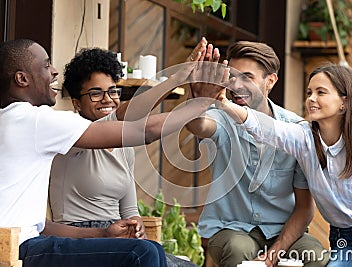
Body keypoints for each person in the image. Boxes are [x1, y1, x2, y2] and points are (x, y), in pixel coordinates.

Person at [0, 38, 217, 267]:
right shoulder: (35, 121)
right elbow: (141, 129)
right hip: (23, 249)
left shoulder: (16, 122)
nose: (54, 72)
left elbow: (41, 226)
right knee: (143, 253)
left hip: (32, 244)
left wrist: (104, 233)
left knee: (150, 250)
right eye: (46, 66)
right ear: (22, 78)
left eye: (113, 91)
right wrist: (200, 105)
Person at [216, 63, 352, 266]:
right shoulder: (304, 139)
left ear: (344, 103)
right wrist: (224, 103)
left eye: (321, 92)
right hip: (345, 240)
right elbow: (267, 129)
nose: (311, 98)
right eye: (309, 92)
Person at [44, 47, 198, 267]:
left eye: (113, 91)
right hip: (81, 240)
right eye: (96, 93)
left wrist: (136, 226)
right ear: (77, 103)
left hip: (118, 235)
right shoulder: (70, 137)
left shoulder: (123, 147)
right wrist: (178, 79)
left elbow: (129, 210)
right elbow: (128, 115)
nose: (107, 100)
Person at [186, 39, 329, 267]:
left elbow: (304, 208)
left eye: (247, 77)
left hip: (281, 232)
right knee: (239, 248)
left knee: (316, 255)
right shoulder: (220, 115)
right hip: (229, 229)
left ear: (270, 81)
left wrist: (274, 253)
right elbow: (197, 126)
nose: (236, 85)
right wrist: (196, 98)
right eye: (231, 76)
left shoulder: (295, 129)